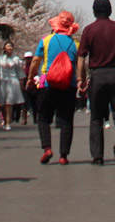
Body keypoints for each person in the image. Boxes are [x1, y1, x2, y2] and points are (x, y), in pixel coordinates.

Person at [77, 0, 115, 167]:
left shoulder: (89, 30)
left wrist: (81, 79)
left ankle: (97, 156)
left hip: (97, 75)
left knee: (96, 117)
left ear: (94, 11)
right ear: (110, 10)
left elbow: (81, 58)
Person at [29, 10, 80, 165]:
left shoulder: (46, 40)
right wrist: (81, 80)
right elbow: (80, 65)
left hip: (47, 84)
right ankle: (63, 155)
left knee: (43, 117)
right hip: (68, 85)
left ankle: (47, 148)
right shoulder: (76, 44)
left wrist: (31, 78)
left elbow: (36, 61)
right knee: (66, 120)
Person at [0, 40, 26, 129]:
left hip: (12, 81)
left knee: (9, 102)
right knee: (2, 103)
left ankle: (8, 122)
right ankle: (5, 119)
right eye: (8, 46)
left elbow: (20, 71)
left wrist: (21, 81)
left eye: (11, 46)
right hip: (2, 81)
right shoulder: (0, 58)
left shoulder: (16, 59)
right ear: (4, 48)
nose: (9, 48)